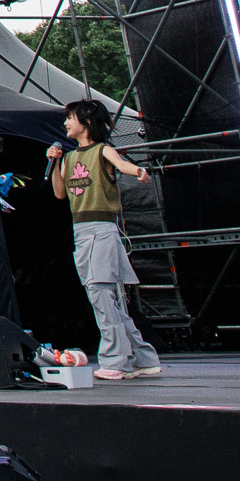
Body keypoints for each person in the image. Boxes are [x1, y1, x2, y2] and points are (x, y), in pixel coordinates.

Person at [51, 98, 163, 380]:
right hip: (81, 231)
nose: (65, 123)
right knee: (107, 300)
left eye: (70, 118)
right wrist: (54, 162)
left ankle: (115, 361)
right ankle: (144, 358)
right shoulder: (68, 158)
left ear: (87, 122)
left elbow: (122, 165)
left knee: (101, 295)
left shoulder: (103, 150)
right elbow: (60, 193)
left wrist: (139, 171)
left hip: (102, 229)